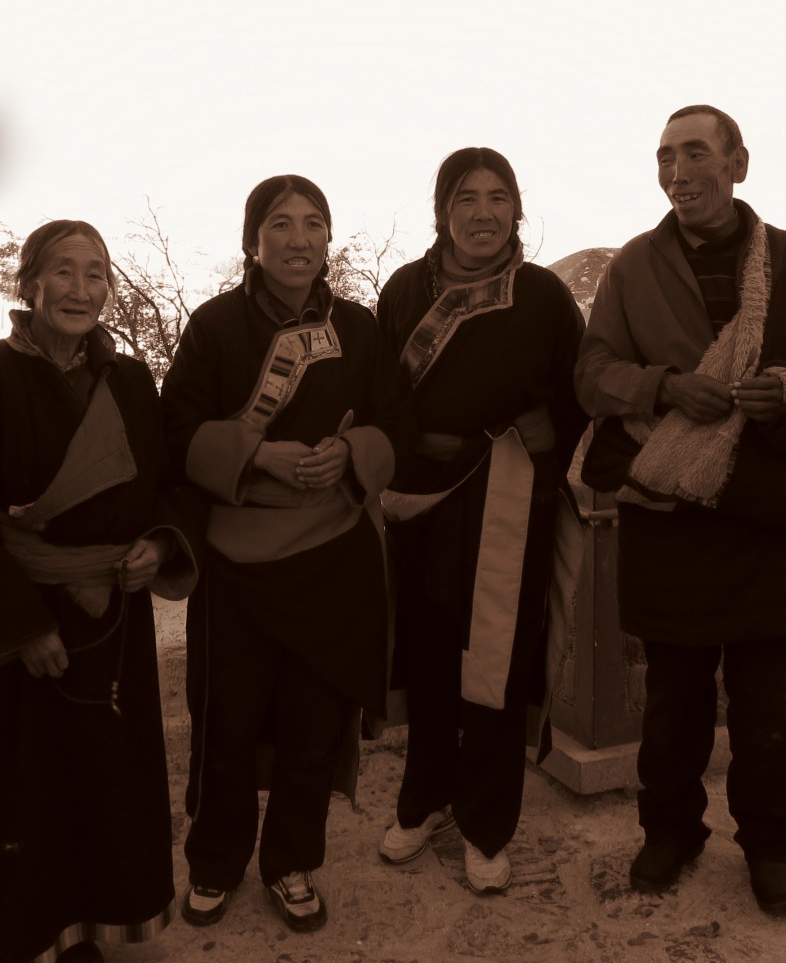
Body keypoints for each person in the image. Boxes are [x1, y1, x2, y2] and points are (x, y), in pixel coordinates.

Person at [160, 175, 411, 933]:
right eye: (280, 224)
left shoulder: (362, 331)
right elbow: (175, 431)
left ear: (328, 240)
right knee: (226, 722)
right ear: (253, 241)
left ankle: (292, 862)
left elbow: (397, 421)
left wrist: (350, 450)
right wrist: (256, 456)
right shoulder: (211, 327)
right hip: (236, 562)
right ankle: (215, 861)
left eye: (313, 224)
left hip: (333, 556)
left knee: (313, 725)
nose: (298, 239)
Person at [574, 105, 786, 915]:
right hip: (670, 517)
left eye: (695, 152)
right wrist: (665, 386)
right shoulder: (633, 268)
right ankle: (671, 829)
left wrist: (780, 395)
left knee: (771, 706)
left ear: (739, 162)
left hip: (766, 516)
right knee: (673, 703)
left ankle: (770, 840)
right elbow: (592, 375)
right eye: (664, 156)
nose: (676, 170)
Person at [376, 148, 587, 893]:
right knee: (429, 652)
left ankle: (488, 822)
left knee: (495, 660)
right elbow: (382, 393)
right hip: (423, 499)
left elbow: (576, 391)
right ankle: (425, 797)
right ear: (442, 211)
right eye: (467, 198)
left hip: (507, 494)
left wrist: (545, 434)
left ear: (517, 211)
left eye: (500, 198)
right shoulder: (404, 290)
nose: (484, 214)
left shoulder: (542, 295)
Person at [0, 221, 200, 963]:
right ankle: (36, 932)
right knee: (34, 785)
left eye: (97, 274)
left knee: (109, 785)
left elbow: (164, 484)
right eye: (64, 272)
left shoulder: (128, 378)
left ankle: (100, 924)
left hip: (117, 610)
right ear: (30, 285)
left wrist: (158, 541)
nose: (82, 289)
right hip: (30, 615)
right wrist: (21, 625)